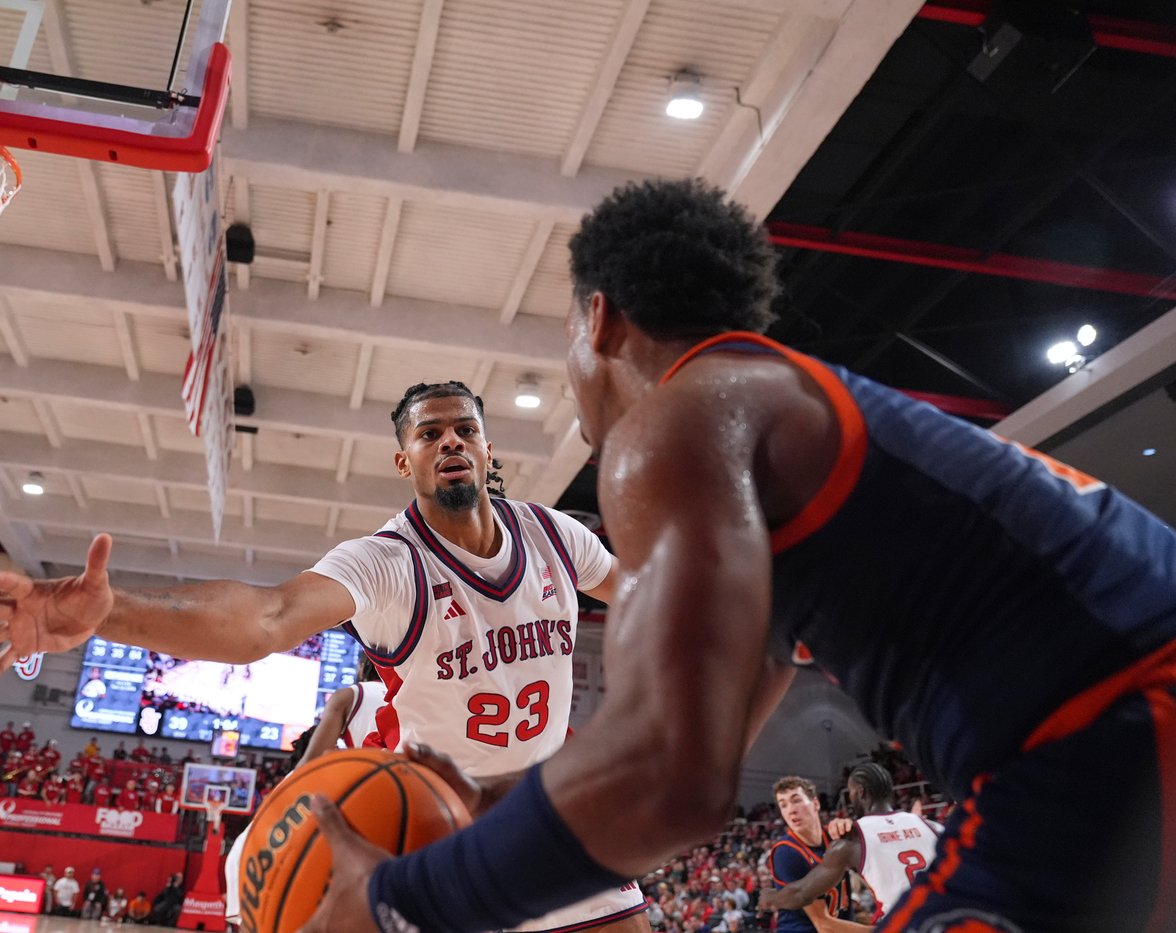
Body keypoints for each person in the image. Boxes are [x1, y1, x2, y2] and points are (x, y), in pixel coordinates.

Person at [259, 176, 1176, 933]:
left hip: (1111, 726)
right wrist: (464, 815)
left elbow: (669, 775)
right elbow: (705, 748)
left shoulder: (679, 423)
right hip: (1105, 733)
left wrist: (395, 903)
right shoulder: (757, 421)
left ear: (603, 321)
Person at [0, 382, 651, 933]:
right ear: (405, 460)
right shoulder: (386, 562)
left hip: (545, 807)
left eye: (467, 429)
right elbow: (267, 617)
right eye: (430, 433)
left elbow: (644, 596)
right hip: (437, 818)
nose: (452, 441)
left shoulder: (557, 536)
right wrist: (108, 613)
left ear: (490, 450)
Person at [760, 763, 939, 923]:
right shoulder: (932, 826)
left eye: (850, 792)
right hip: (948, 919)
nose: (791, 810)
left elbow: (801, 895)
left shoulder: (852, 839)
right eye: (783, 805)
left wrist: (771, 898)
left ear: (859, 792)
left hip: (902, 923)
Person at [761, 777, 859, 933]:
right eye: (783, 805)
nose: (791, 810)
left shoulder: (835, 837)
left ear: (815, 804)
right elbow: (824, 925)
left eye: (796, 800)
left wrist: (855, 833)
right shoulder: (786, 852)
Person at [295, 654, 383, 768]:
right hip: (408, 776)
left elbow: (311, 763)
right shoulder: (403, 698)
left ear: (362, 668)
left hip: (372, 776)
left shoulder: (348, 695)